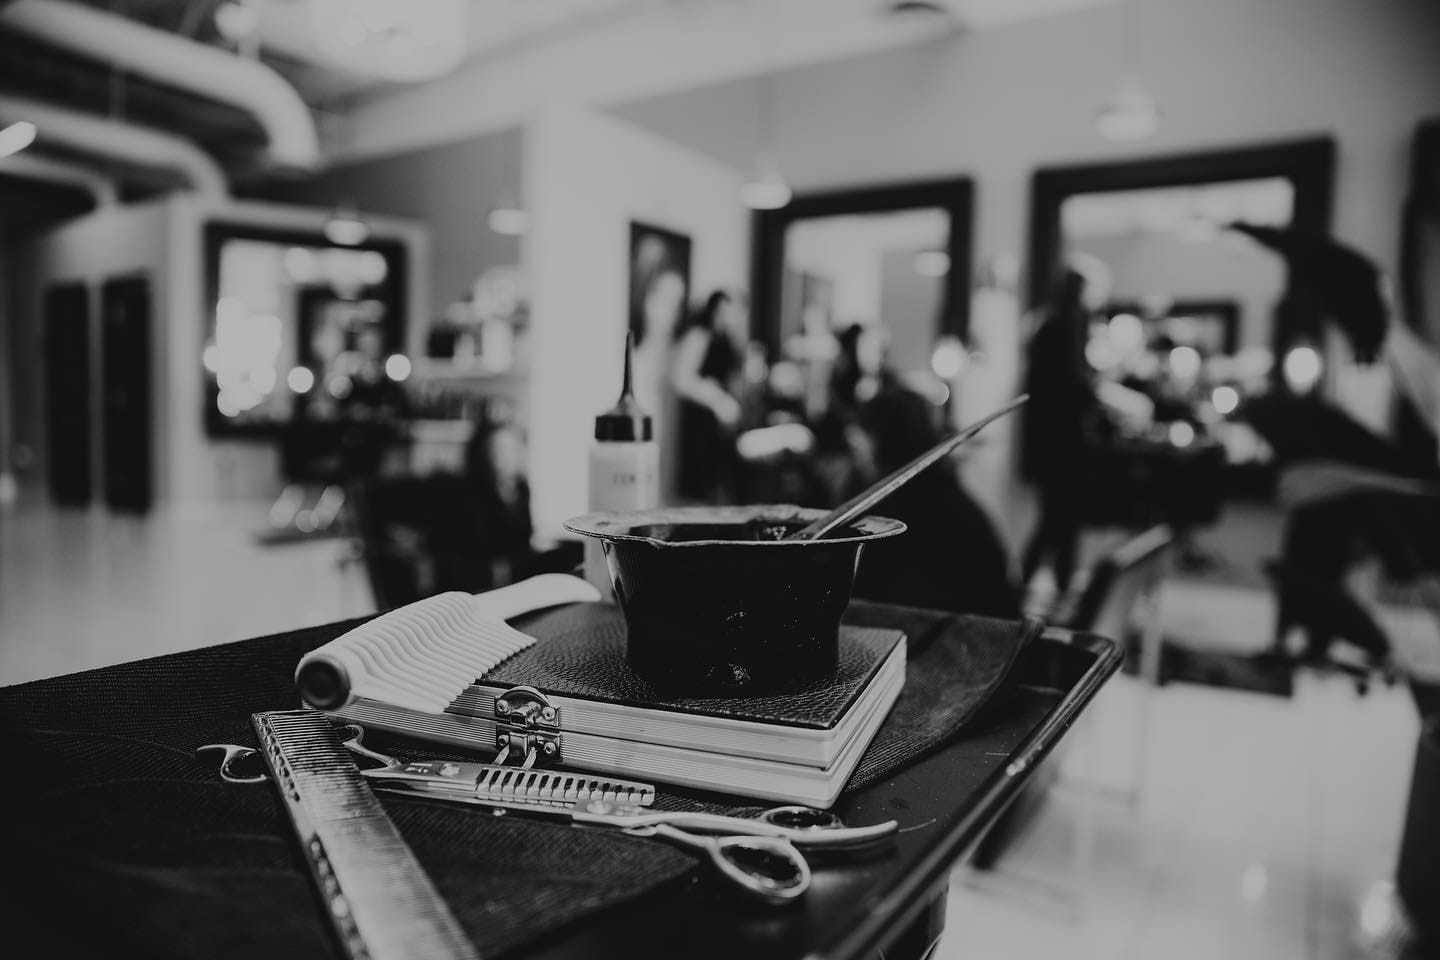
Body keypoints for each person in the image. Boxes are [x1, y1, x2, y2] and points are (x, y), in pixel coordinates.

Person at [1228, 225, 1440, 661]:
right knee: (1309, 537)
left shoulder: (1407, 364)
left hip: (1402, 510)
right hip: (1353, 499)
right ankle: (1303, 634)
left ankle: (1323, 631)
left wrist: (1337, 476)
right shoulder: (1359, 361)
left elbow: (1419, 472)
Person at [849, 352, 1021, 619]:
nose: (857, 451)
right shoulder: (942, 493)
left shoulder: (898, 515)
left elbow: (866, 596)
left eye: (862, 439)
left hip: (969, 643)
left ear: (882, 441)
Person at [1019, 260, 1111, 595]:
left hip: (1049, 442)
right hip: (1065, 442)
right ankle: (1055, 585)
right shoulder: (1068, 326)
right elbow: (1076, 386)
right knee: (1060, 520)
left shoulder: (1047, 326)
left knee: (1054, 519)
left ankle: (1036, 584)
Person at [672, 290, 747, 502]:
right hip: (700, 421)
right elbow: (682, 379)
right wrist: (716, 399)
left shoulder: (728, 339)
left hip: (720, 423)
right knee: (700, 481)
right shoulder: (699, 336)